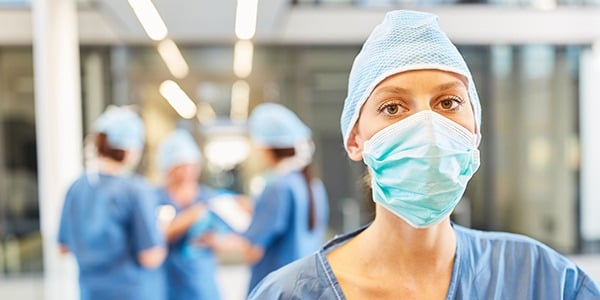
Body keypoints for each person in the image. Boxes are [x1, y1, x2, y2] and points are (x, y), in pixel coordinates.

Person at [248, 10, 600, 299]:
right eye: (392, 107)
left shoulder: (541, 279)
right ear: (355, 140)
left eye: (448, 102)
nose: (427, 127)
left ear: (474, 131)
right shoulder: (288, 294)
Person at [58, 106, 166, 300]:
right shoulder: (136, 191)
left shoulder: (76, 188)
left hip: (90, 293)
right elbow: (151, 257)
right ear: (131, 149)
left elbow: (64, 247)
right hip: (131, 293)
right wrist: (162, 230)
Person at [232, 103, 330, 292]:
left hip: (277, 290)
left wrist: (216, 240)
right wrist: (256, 210)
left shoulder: (277, 187)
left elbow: (251, 251)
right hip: (305, 289)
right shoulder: (312, 184)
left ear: (265, 148)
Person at [154, 128, 227, 300]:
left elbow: (233, 239)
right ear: (168, 168)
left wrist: (215, 240)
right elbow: (157, 236)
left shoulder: (209, 197)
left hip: (201, 285)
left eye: (191, 165)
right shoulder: (156, 198)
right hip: (166, 284)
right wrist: (194, 214)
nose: (188, 171)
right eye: (181, 166)